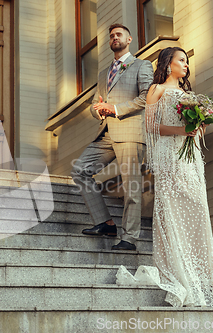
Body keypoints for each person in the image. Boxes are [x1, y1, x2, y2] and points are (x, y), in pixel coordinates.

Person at [140, 47, 213, 307]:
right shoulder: (156, 90)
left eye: (187, 61)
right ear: (167, 64)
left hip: (190, 159)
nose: (186, 65)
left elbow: (195, 131)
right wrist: (183, 130)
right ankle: (178, 270)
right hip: (169, 158)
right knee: (173, 209)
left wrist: (200, 124)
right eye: (181, 60)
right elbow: (151, 127)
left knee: (197, 209)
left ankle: (201, 272)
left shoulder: (188, 95)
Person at [71, 24, 153, 251]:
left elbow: (147, 97)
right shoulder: (103, 73)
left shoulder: (141, 65)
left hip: (130, 132)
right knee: (80, 170)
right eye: (111, 36)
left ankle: (129, 238)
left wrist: (115, 108)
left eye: (119, 35)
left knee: (131, 187)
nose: (114, 38)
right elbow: (95, 103)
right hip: (106, 133)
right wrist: (96, 109)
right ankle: (105, 222)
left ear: (129, 39)